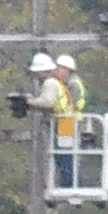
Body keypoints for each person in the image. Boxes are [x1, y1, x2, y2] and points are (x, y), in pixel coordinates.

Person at [25, 52, 76, 188]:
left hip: (64, 122)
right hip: (65, 121)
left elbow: (47, 102)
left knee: (63, 155)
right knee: (64, 154)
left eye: (37, 72)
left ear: (44, 71)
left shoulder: (50, 83)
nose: (36, 76)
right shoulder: (55, 83)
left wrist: (30, 102)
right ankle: (67, 183)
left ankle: (68, 184)